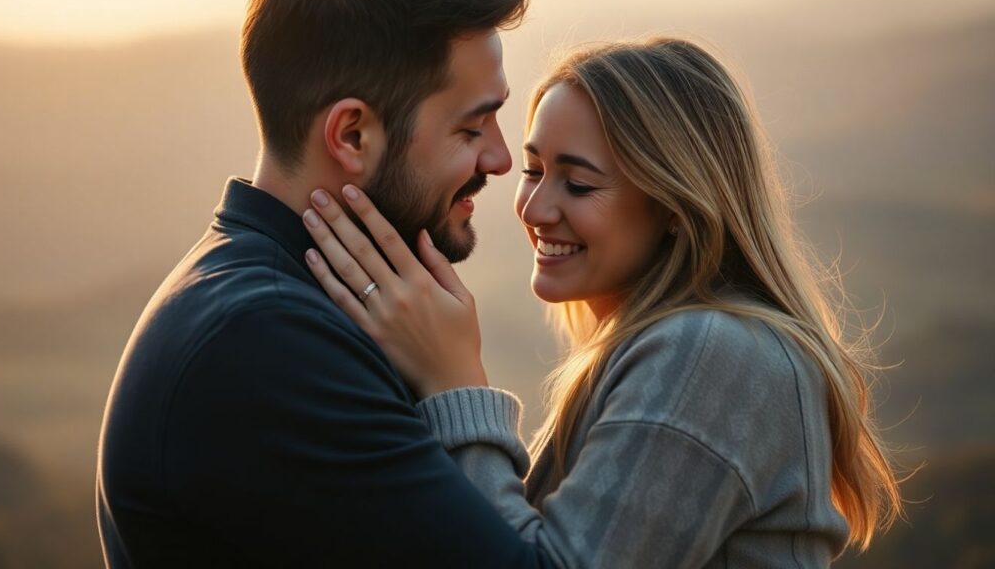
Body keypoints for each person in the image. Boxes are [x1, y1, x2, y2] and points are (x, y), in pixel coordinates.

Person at [301, 38, 904, 567]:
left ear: (674, 204)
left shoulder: (714, 354)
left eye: (579, 183)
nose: (534, 210)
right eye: (533, 170)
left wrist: (456, 388)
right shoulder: (658, 349)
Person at [96, 0, 560, 567]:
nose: (500, 159)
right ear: (352, 136)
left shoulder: (279, 300)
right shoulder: (265, 342)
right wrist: (458, 388)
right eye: (470, 129)